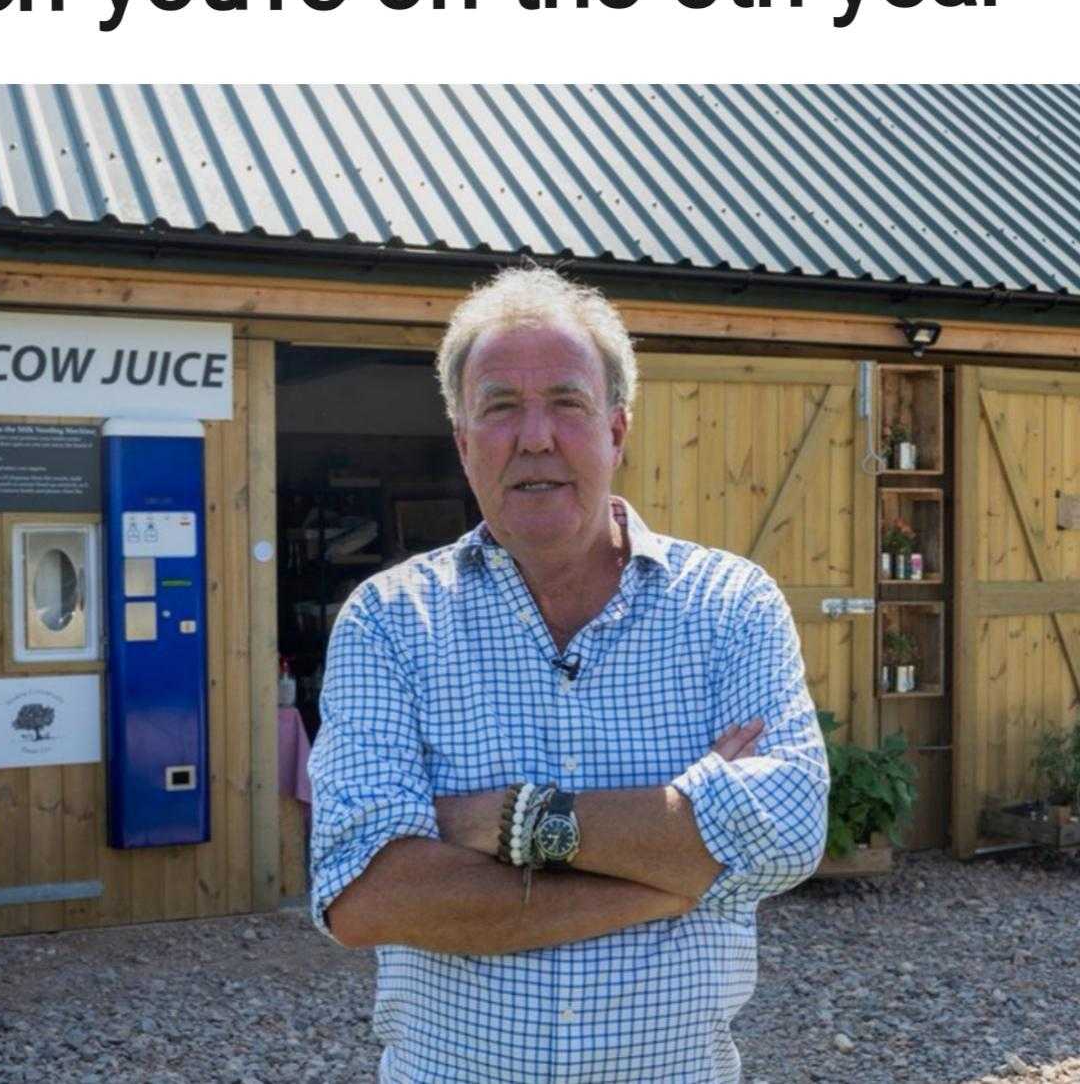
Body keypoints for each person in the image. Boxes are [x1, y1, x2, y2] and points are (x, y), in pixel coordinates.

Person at [309, 264, 829, 1083]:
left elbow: (790, 830)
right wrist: (671, 877)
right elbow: (367, 895)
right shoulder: (389, 619)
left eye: (567, 403)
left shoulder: (730, 604)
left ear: (618, 430)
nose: (536, 436)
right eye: (501, 407)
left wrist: (510, 823)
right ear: (464, 439)